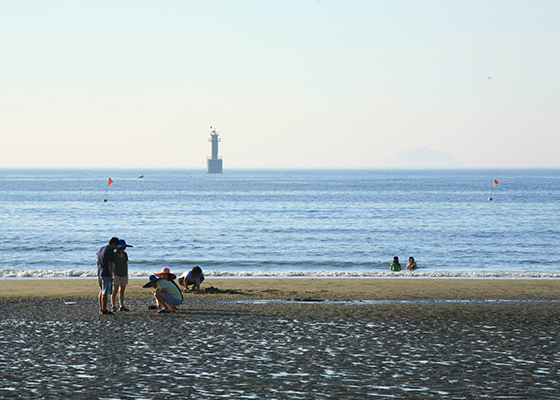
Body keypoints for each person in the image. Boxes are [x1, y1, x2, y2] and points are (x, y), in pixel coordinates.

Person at [96, 237, 119, 315]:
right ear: (114, 244)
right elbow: (110, 263)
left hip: (99, 272)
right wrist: (111, 274)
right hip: (106, 273)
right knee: (105, 292)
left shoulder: (101, 249)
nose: (116, 248)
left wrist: (98, 270)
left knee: (101, 291)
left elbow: (97, 261)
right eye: (116, 246)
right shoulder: (110, 251)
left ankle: (101, 308)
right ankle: (104, 309)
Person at [111, 239, 133, 312]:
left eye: (124, 248)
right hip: (117, 274)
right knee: (115, 291)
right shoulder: (114, 255)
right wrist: (114, 275)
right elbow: (113, 265)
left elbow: (126, 264)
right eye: (122, 248)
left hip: (124, 274)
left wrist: (126, 273)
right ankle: (113, 306)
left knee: (122, 291)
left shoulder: (125, 254)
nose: (123, 249)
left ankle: (121, 305)